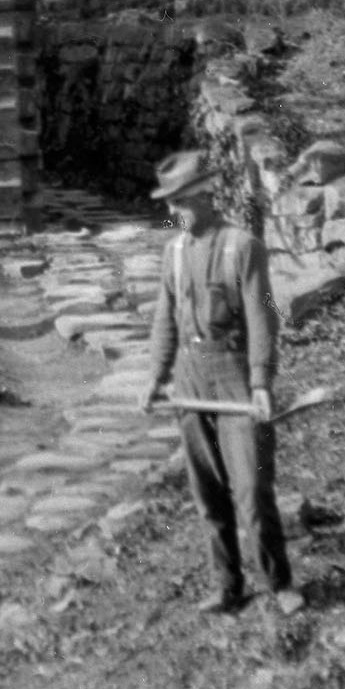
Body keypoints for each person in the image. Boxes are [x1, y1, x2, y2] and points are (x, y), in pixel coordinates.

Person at [141, 149, 304, 618]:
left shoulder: (243, 247)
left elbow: (262, 318)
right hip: (190, 378)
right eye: (169, 204)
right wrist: (156, 376)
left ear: (206, 196)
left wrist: (260, 382)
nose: (173, 212)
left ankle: (278, 583)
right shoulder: (173, 251)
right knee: (207, 493)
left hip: (234, 375)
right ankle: (227, 586)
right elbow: (164, 319)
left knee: (252, 489)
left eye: (180, 203)